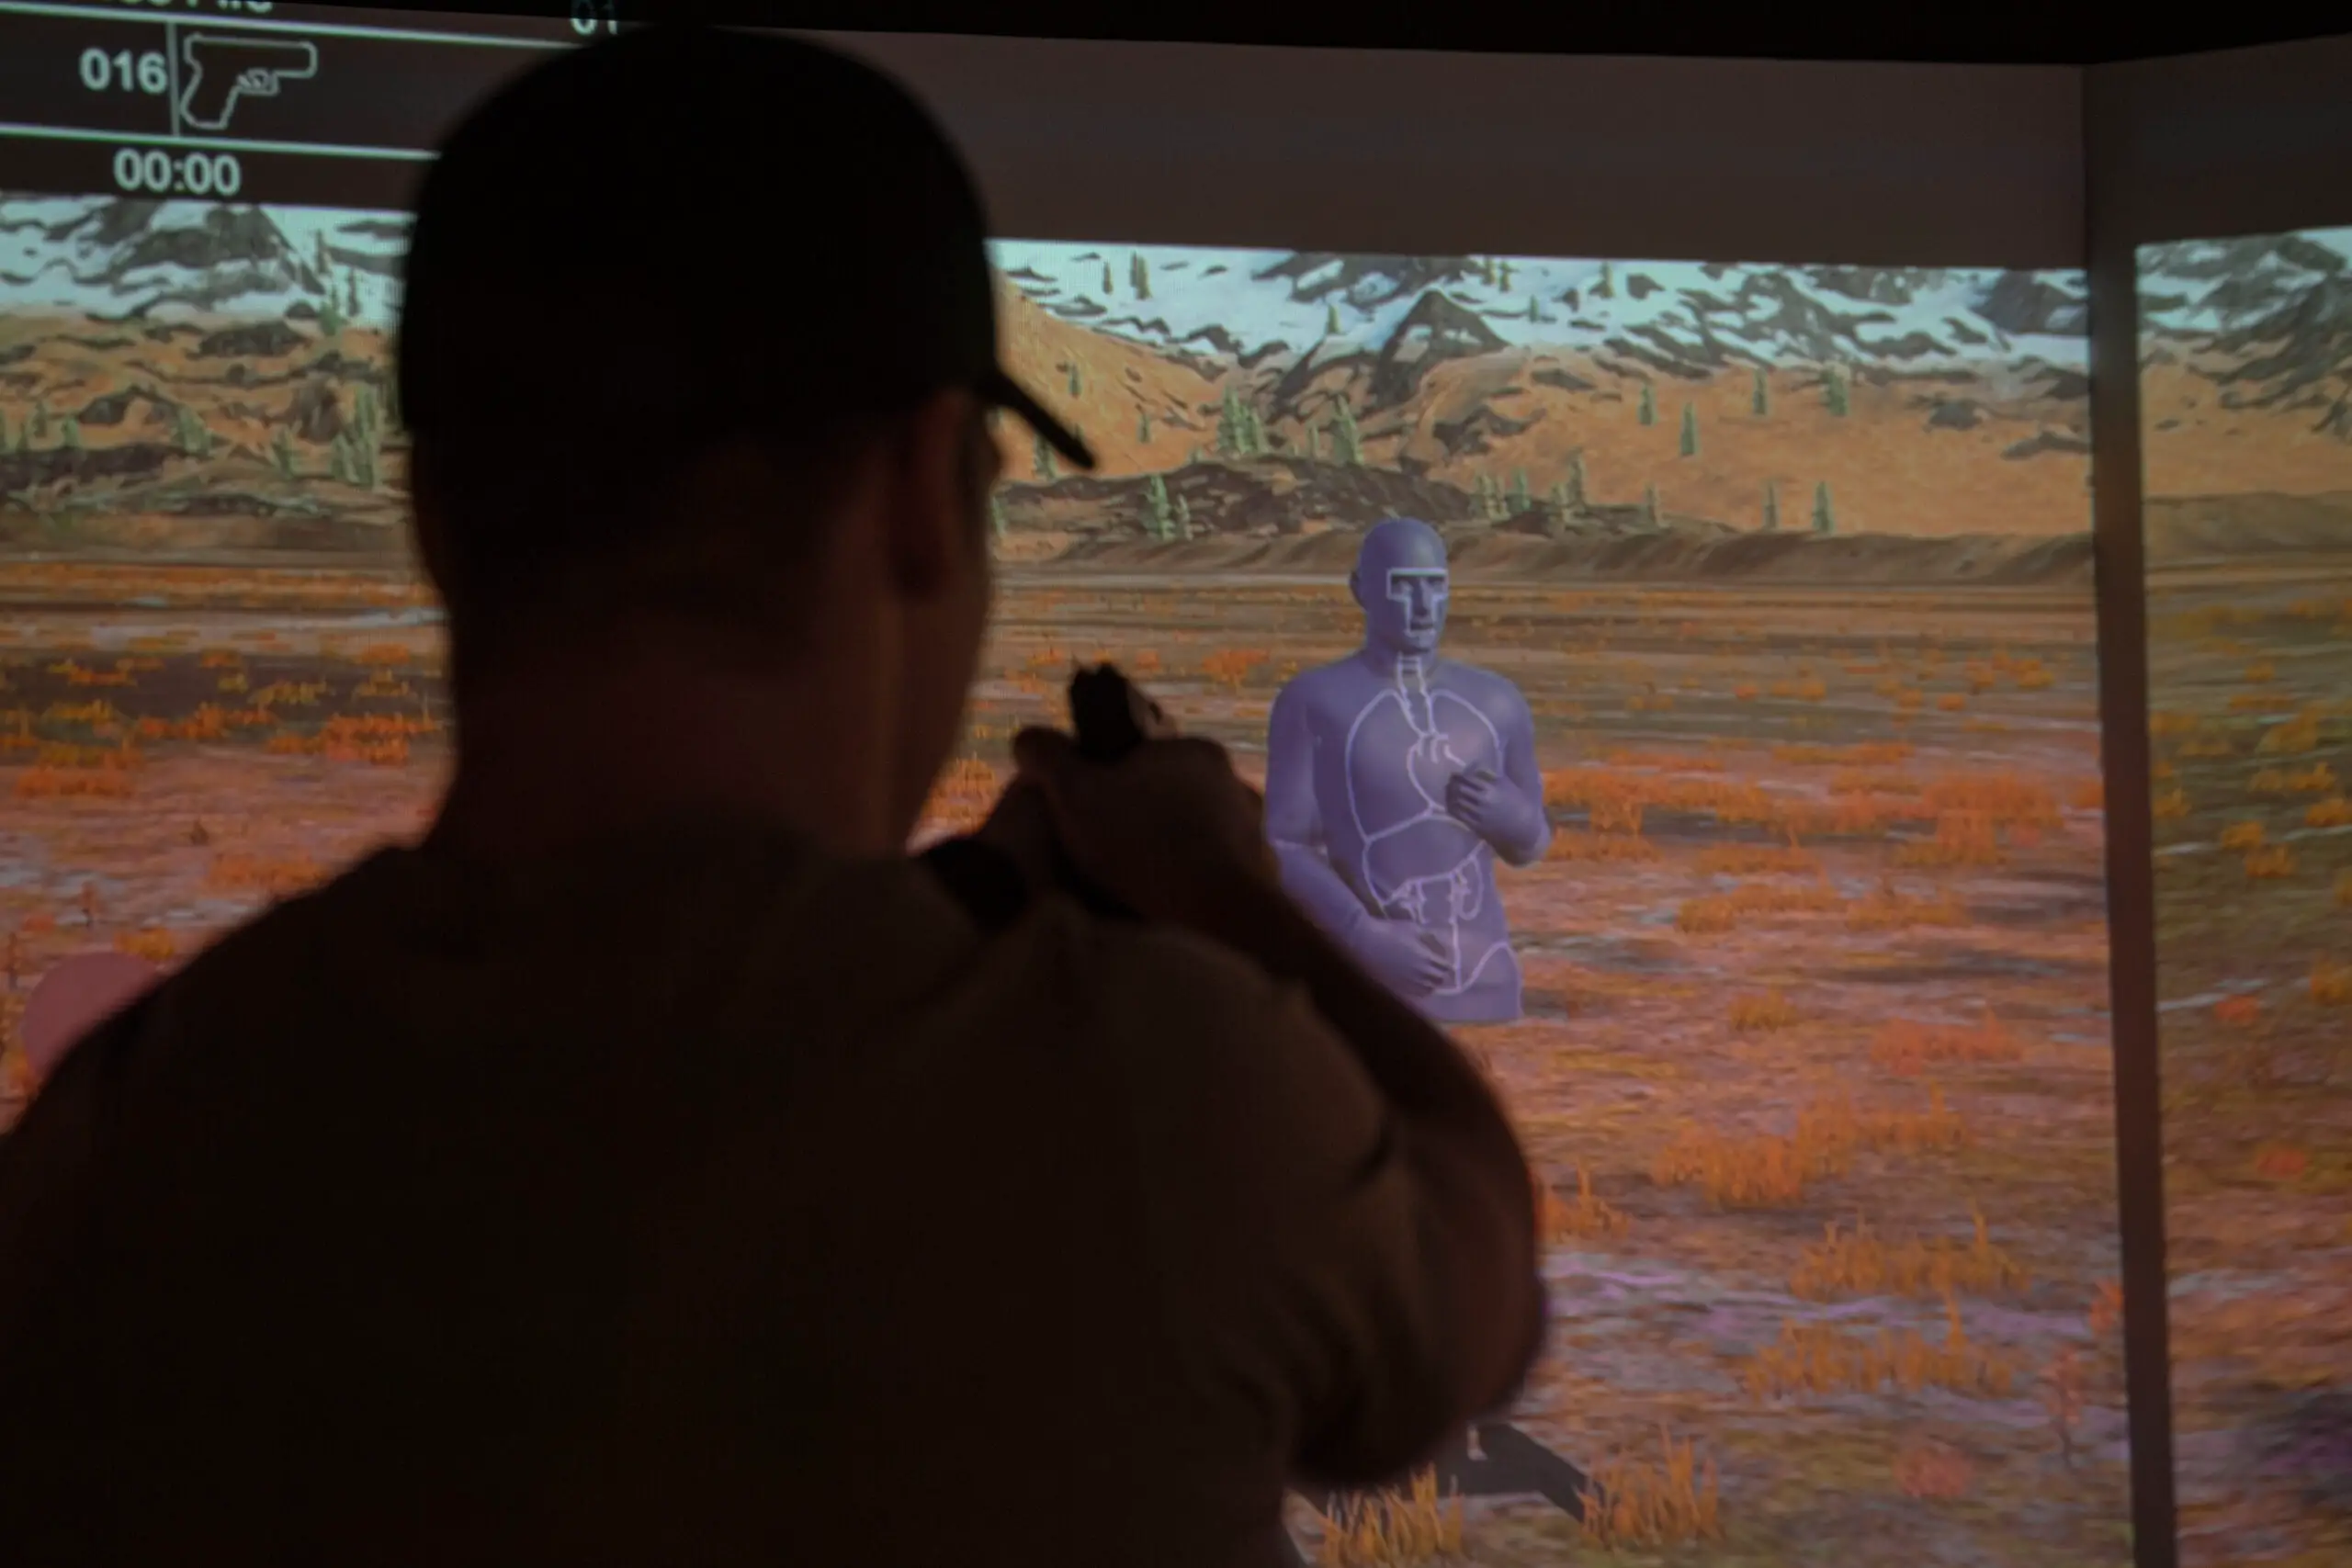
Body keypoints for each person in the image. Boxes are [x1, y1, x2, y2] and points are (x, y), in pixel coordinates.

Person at [0, 26, 1542, 1567]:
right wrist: (1216, 882)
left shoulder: (124, 1144)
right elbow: (1471, 1294)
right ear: (916, 500)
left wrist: (969, 906)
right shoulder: (1156, 1096)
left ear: (432, 515)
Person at [1264, 519, 1551, 1022]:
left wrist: (1514, 819)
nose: (1423, 607)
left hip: (1489, 985)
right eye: (1402, 585)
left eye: (1435, 585)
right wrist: (1360, 933)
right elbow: (1285, 846)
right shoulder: (1314, 702)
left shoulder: (1498, 702)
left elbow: (1531, 845)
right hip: (1376, 994)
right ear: (1361, 589)